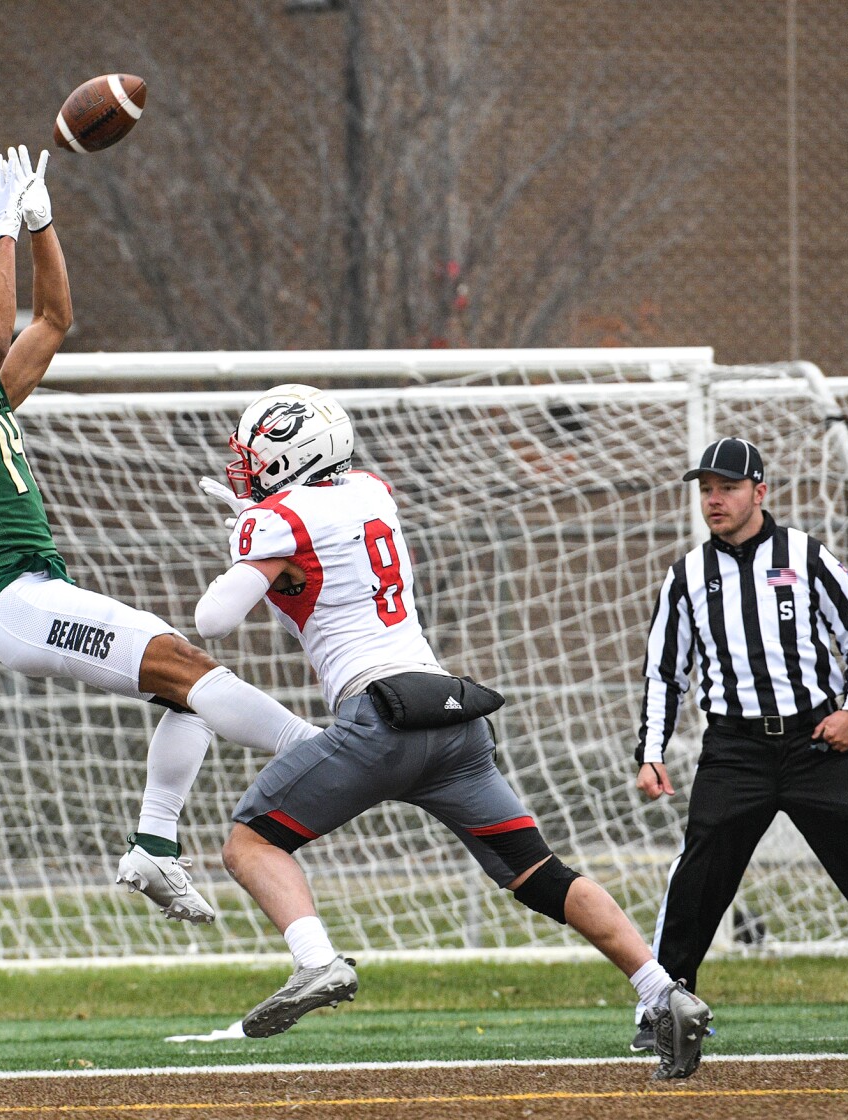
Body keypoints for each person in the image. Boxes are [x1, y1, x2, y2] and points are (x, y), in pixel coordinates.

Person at [0, 147, 318, 924]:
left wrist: (40, 225)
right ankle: (317, 750)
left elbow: (54, 320)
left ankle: (155, 849)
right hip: (16, 602)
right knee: (186, 664)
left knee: (185, 689)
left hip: (38, 590)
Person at [192, 384, 711, 1080]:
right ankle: (661, 992)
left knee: (251, 841)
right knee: (539, 871)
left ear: (287, 456)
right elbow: (316, 566)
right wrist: (266, 534)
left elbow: (211, 620)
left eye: (254, 457)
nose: (245, 469)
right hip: (451, 718)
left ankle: (317, 962)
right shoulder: (371, 492)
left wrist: (248, 538)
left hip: (377, 721)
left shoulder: (277, 519)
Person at [632, 437, 848, 1049]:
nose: (714, 500)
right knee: (696, 880)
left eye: (727, 488)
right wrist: (651, 751)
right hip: (734, 752)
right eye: (705, 490)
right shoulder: (687, 576)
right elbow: (663, 673)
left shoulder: (804, 555)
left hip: (816, 746)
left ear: (760, 492)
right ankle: (664, 1015)